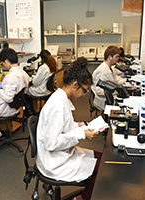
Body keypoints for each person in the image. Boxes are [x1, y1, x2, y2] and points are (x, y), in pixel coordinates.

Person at [36, 57, 102, 200]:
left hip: (62, 153)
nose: (84, 95)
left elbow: (64, 126)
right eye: (85, 91)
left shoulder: (62, 98)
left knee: (102, 158)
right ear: (74, 85)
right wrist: (82, 135)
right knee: (101, 168)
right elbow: (52, 143)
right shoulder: (57, 105)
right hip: (53, 162)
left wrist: (80, 126)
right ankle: (82, 199)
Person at [0, 48, 30, 140]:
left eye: (3, 63)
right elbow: (23, 91)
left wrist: (0, 89)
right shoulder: (23, 73)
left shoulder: (11, 76)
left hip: (5, 109)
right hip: (16, 108)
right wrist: (4, 86)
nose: (4, 66)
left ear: (7, 61)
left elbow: (8, 98)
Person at [91, 45, 127, 110]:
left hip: (111, 98)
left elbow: (115, 80)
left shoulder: (110, 68)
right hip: (103, 101)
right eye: (116, 57)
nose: (118, 59)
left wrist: (125, 78)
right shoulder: (102, 71)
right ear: (110, 57)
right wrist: (114, 90)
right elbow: (98, 91)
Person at [24, 50, 58, 117]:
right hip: (48, 90)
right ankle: (32, 113)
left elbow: (35, 83)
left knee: (24, 91)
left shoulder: (43, 67)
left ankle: (30, 114)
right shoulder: (52, 65)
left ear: (41, 58)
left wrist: (33, 78)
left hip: (41, 91)